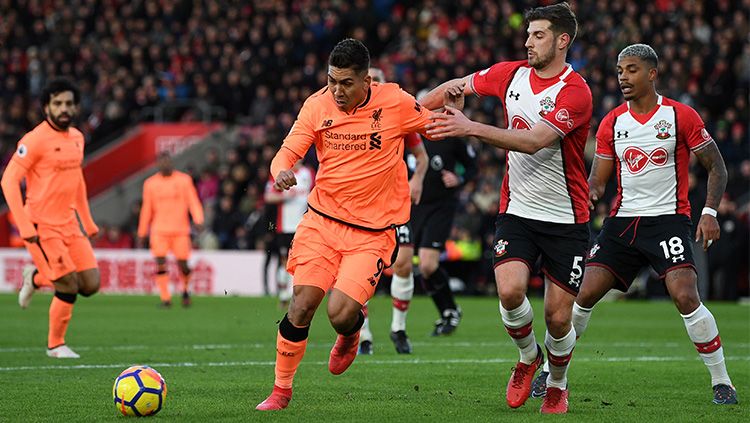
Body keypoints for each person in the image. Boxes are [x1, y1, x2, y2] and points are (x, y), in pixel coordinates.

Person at [256, 38, 447, 411]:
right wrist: (281, 171)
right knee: (302, 303)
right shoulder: (316, 105)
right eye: (332, 81)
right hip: (322, 223)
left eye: (346, 83)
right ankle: (281, 390)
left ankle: (350, 332)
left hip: (372, 234)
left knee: (340, 314)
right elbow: (287, 150)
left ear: (367, 80)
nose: (337, 91)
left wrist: (460, 112)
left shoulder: (393, 102)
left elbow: (432, 121)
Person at [422, 2, 591, 414]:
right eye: (528, 34)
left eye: (538, 35)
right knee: (510, 290)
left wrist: (469, 128)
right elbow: (455, 86)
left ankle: (558, 383)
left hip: (567, 219)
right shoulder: (509, 73)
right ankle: (528, 358)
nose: (527, 41)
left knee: (557, 319)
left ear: (562, 40)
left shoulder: (575, 91)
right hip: (517, 210)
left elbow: (534, 140)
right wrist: (409, 111)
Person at [568, 44, 738, 405]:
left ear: (651, 74)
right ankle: (553, 378)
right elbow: (599, 178)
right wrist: (590, 193)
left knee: (685, 296)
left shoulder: (680, 116)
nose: (623, 77)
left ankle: (722, 381)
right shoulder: (612, 121)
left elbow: (717, 167)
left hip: (667, 221)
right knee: (582, 296)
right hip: (623, 223)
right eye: (619, 70)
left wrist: (709, 212)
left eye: (631, 70)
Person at [1, 78, 101, 358]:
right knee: (67, 284)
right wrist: (23, 224)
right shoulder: (34, 141)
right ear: (47, 107)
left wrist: (87, 220)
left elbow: (77, 179)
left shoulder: (77, 138)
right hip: (40, 224)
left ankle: (35, 277)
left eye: (69, 103)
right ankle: (55, 345)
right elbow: (9, 182)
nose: (64, 108)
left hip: (69, 223)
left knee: (90, 285)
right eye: (57, 103)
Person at [358, 67, 429, 355]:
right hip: (359, 206)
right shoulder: (348, 119)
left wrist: (417, 178)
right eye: (370, 80)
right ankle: (363, 335)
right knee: (360, 271)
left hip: (394, 203)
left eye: (378, 80)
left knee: (402, 264)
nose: (375, 85)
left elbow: (421, 157)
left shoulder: (398, 118)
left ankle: (398, 328)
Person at [137, 152, 204, 308]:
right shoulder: (150, 184)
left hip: (180, 230)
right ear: (157, 164)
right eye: (162, 162)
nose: (165, 164)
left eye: (167, 161)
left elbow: (193, 201)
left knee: (183, 264)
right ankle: (165, 298)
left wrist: (198, 219)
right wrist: (142, 232)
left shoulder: (184, 180)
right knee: (160, 261)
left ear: (172, 163)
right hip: (159, 230)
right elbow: (146, 209)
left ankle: (186, 290)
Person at [264, 160, 314, 309]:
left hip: (304, 225)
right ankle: (283, 294)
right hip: (284, 225)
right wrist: (286, 196)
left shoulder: (308, 173)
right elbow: (268, 196)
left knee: (300, 261)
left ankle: (293, 294)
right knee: (284, 260)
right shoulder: (281, 172)